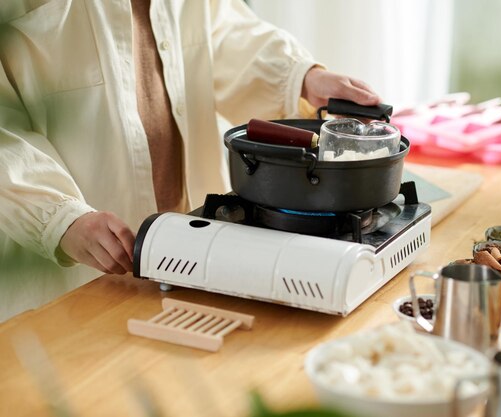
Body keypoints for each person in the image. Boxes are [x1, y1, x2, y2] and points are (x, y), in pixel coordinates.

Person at [0, 0, 380, 321]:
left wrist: (300, 78)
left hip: (190, 249)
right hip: (73, 274)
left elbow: (218, 30)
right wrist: (59, 217)